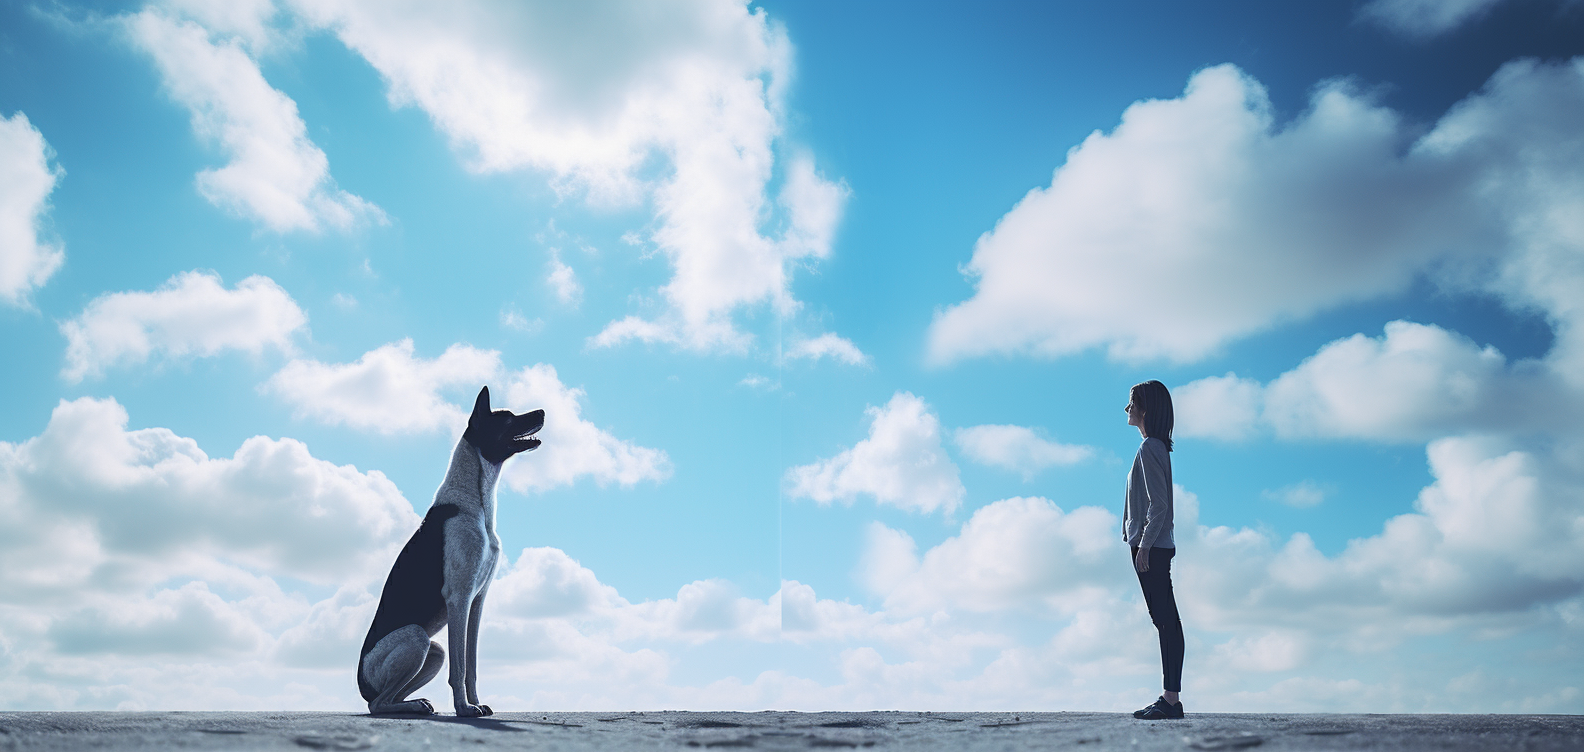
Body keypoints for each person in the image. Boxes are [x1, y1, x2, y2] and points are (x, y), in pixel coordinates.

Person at [1123, 379, 1184, 720]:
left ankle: (1171, 700)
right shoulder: (1156, 446)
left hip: (1152, 546)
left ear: (1146, 409)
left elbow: (1158, 506)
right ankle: (1169, 697)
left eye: (1132, 403)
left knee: (1166, 621)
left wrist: (1143, 546)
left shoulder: (1149, 449)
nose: (1128, 409)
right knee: (1165, 621)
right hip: (1156, 544)